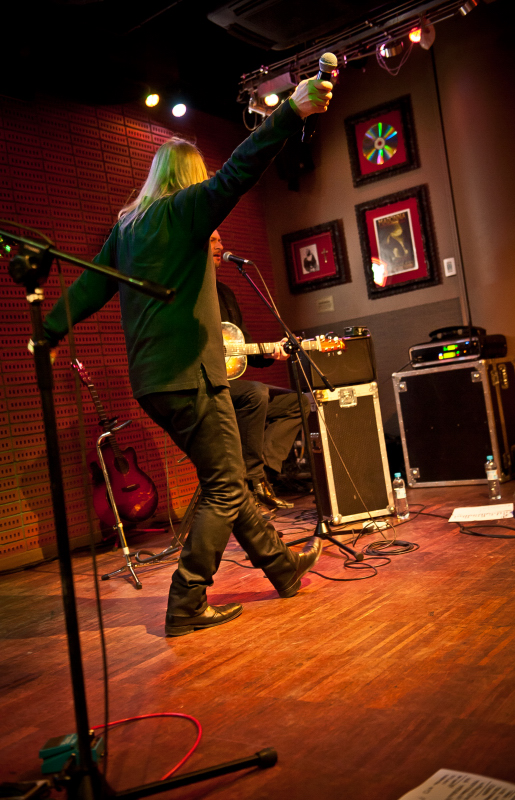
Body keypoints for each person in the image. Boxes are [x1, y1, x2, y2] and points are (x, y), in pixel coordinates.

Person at [42, 76, 333, 637]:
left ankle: (282, 568)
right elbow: (241, 170)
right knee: (226, 484)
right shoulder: (185, 212)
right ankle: (186, 600)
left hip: (152, 381)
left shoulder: (128, 227)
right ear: (190, 180)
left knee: (223, 476)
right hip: (192, 375)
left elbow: (90, 288)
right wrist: (291, 113)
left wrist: (51, 331)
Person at [210, 230, 310, 510]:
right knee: (255, 393)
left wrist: (271, 352)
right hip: (203, 386)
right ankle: (252, 479)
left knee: (299, 402)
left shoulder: (225, 294)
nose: (222, 245)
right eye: (213, 241)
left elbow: (243, 347)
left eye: (221, 239)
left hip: (229, 384)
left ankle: (261, 476)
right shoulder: (187, 294)